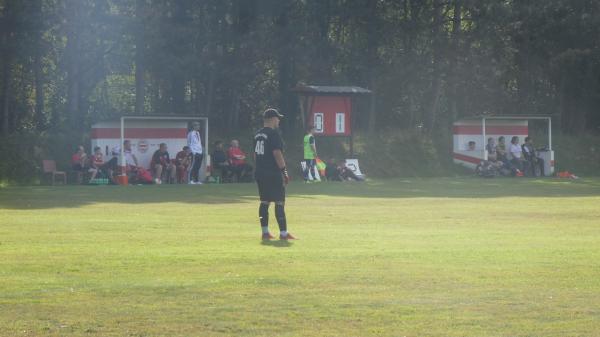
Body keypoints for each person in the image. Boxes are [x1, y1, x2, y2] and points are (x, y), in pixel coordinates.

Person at [253, 108, 296, 240]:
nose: (278, 120)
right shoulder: (273, 134)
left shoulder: (257, 135)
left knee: (264, 202)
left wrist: (260, 168)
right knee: (279, 202)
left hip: (260, 172)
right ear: (272, 119)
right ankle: (283, 233)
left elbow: (254, 155)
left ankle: (265, 232)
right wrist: (284, 171)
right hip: (273, 172)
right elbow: (277, 153)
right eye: (277, 118)